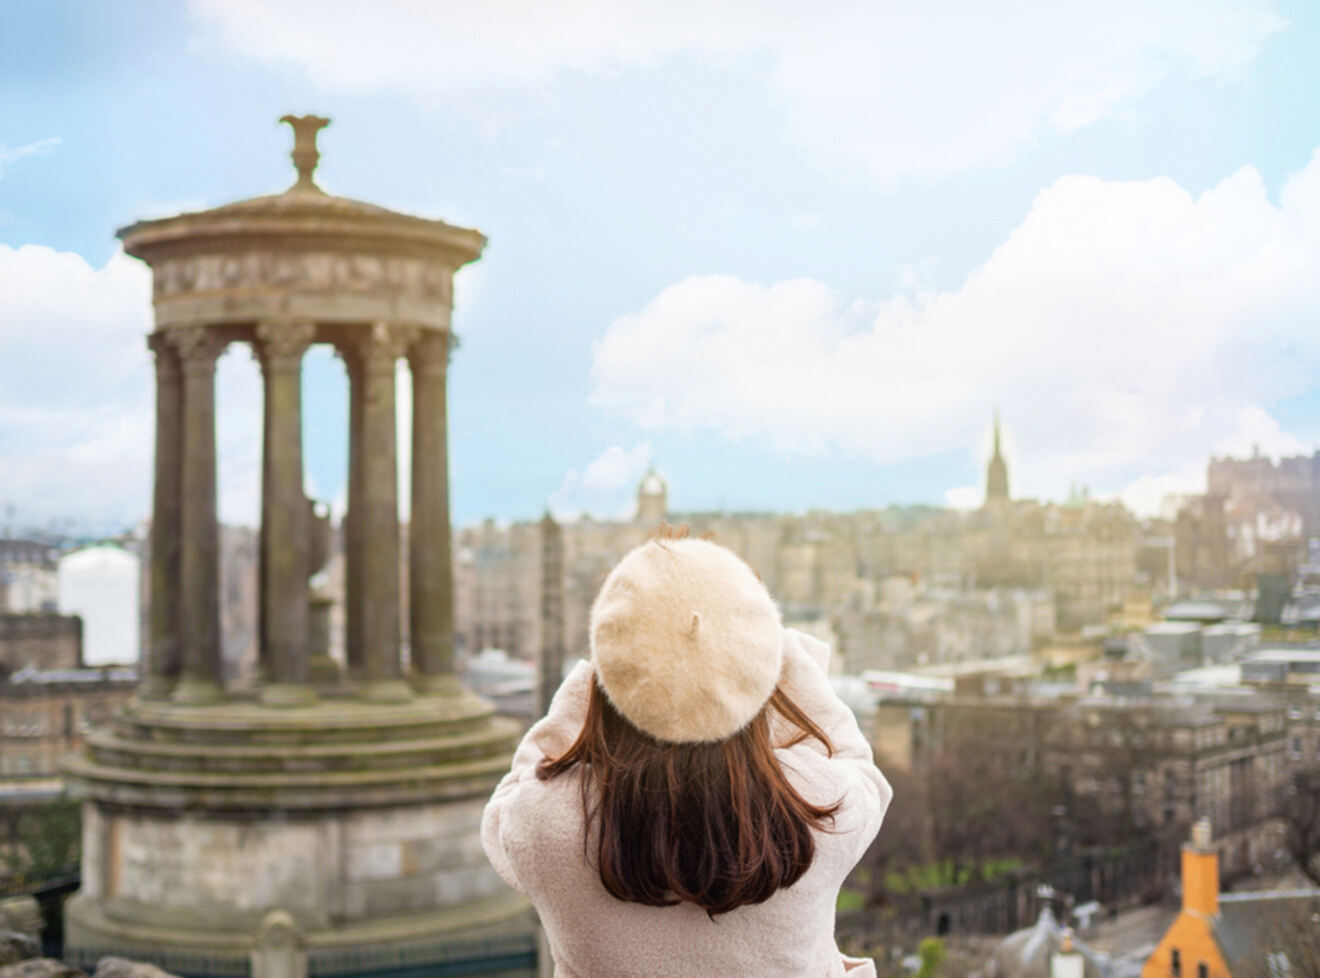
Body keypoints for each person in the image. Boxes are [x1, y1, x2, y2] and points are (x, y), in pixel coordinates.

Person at [481, 532, 892, 977]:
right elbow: (853, 759)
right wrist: (779, 654)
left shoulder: (550, 824)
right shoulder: (814, 808)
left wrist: (595, 677)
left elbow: (516, 790)